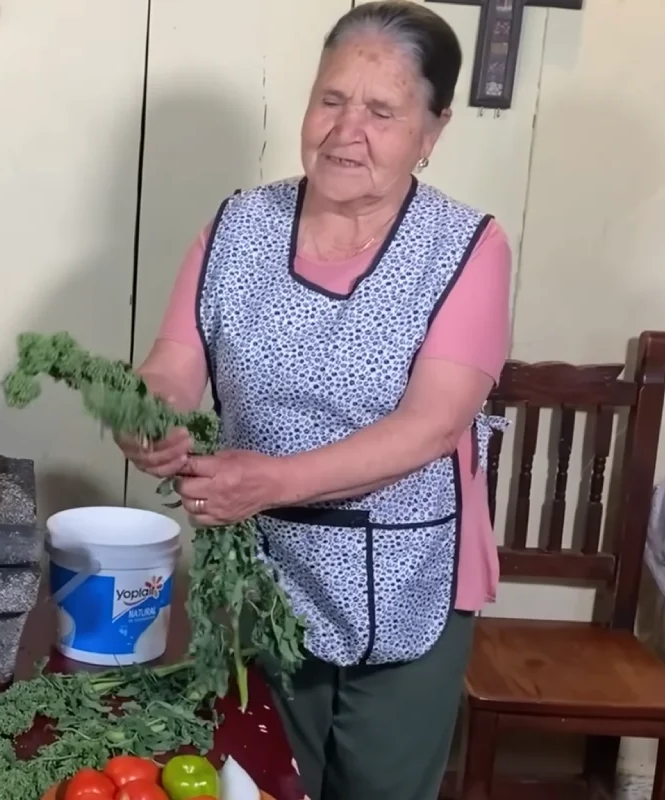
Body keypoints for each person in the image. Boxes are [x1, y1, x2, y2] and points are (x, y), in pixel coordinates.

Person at [116, 2, 512, 798]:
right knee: (256, 780)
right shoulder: (237, 225)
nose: (345, 129)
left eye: (381, 111)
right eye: (331, 100)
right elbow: (172, 365)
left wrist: (270, 479)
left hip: (408, 582)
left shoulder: (468, 247)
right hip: (259, 576)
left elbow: (431, 427)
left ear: (431, 132)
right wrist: (147, 415)